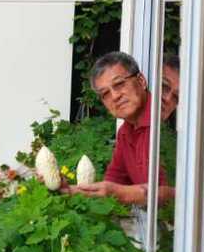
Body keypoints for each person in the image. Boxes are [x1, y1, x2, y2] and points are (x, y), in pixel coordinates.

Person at [70, 51, 178, 206]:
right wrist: (67, 189)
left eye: (119, 84)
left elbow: (181, 194)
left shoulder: (165, 121)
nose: (114, 96)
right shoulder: (125, 132)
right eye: (105, 93)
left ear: (141, 81)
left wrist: (120, 193)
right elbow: (114, 180)